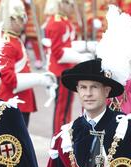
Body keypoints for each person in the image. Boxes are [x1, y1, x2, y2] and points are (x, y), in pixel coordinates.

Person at [0, 0, 56, 128]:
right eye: (20, 18)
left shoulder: (14, 39)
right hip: (13, 100)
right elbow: (9, 78)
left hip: (21, 100)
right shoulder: (8, 42)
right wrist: (39, 79)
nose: (24, 21)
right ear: (11, 19)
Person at [44, 0, 93, 134]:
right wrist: (80, 58)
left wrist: (87, 46)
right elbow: (58, 52)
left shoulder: (64, 21)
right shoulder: (57, 23)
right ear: (61, 4)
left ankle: (64, 134)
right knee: (61, 108)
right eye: (69, 4)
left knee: (66, 107)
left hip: (66, 69)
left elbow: (68, 45)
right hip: (59, 71)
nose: (72, 8)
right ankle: (58, 136)